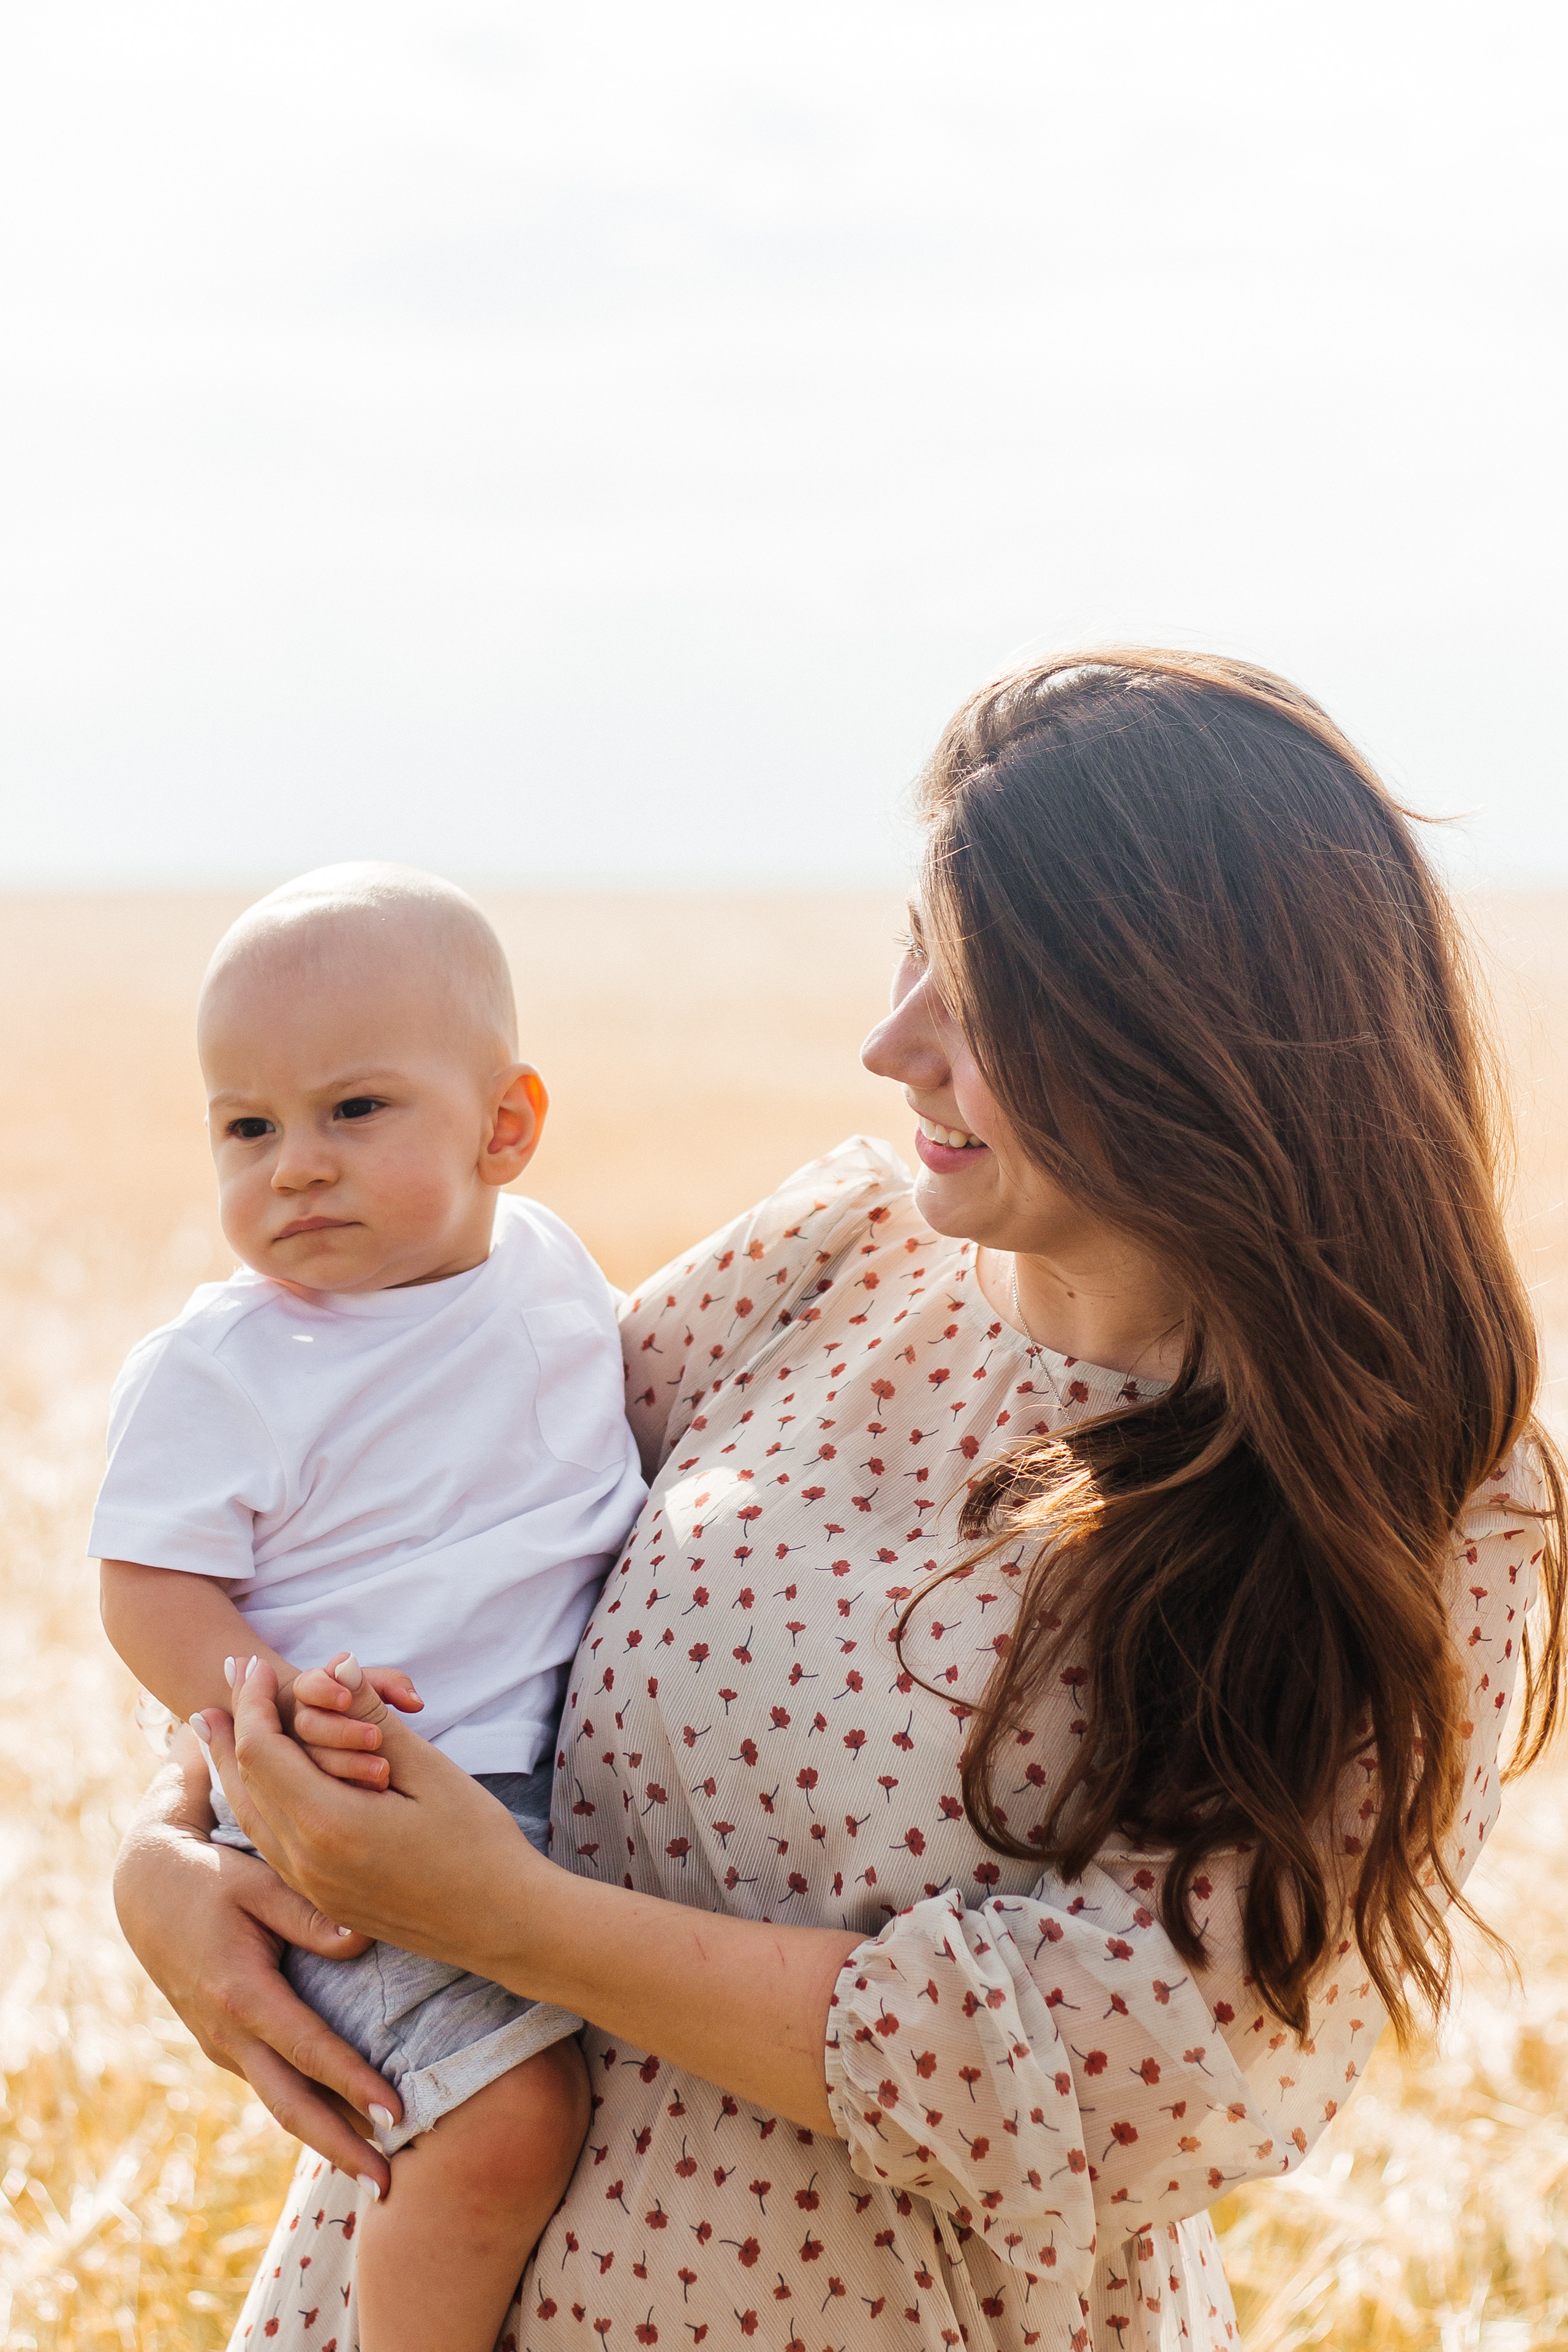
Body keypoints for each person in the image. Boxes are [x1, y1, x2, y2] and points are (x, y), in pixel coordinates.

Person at [113, 650, 1566, 2352]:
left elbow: (1149, 2063)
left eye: (978, 993)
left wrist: (512, 1921)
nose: (889, 1045)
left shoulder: (1432, 1501)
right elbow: (417, 1560)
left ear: (1186, 1030)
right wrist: (168, 1862)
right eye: (909, 956)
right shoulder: (825, 1262)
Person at [93, 865, 646, 2352]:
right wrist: (263, 1702)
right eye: (247, 1127)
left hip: (534, 1800)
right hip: (350, 1812)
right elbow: (144, 1579)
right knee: (504, 2123)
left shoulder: (550, 1274)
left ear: (505, 1127)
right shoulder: (232, 1365)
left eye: (353, 1112)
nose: (295, 1167)